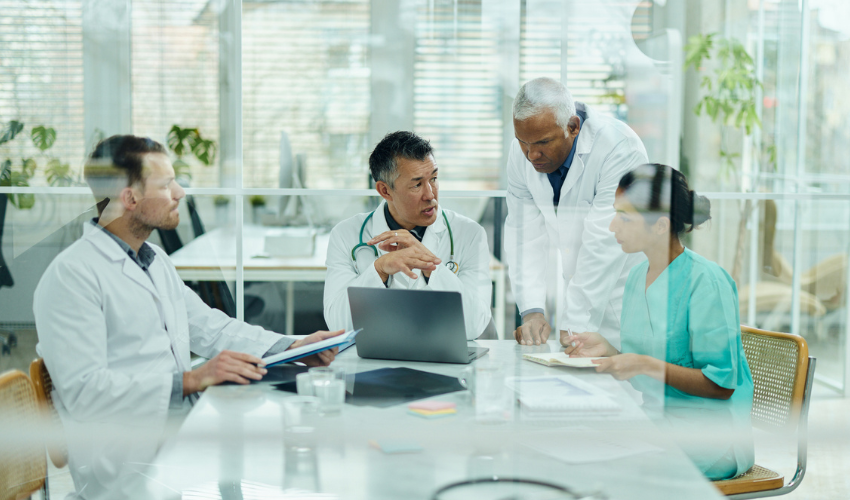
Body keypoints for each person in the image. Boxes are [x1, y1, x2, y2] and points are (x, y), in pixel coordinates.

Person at [33, 135, 342, 499]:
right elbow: (86, 393)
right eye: (166, 185)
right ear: (130, 198)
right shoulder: (72, 276)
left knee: (299, 439)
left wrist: (293, 345)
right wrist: (190, 380)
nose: (180, 192)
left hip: (177, 428)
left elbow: (211, 328)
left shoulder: (154, 260)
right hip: (125, 460)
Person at [564, 164, 755, 480]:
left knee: (606, 472)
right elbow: (647, 370)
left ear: (660, 225)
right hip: (655, 422)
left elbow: (722, 386)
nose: (613, 227)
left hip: (710, 438)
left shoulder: (706, 281)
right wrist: (610, 352)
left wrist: (641, 364)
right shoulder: (638, 276)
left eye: (624, 218)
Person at [505, 77, 647, 349]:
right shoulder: (521, 152)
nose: (531, 155)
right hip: (578, 298)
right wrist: (532, 310)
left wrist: (574, 327)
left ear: (573, 127)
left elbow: (602, 244)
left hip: (622, 303)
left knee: (624, 384)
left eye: (543, 142)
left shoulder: (619, 148)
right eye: (523, 142)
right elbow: (524, 234)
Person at [324, 131, 493, 339]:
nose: (430, 194)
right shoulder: (345, 235)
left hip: (443, 360)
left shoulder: (469, 234)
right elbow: (338, 324)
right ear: (385, 191)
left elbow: (474, 326)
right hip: (374, 362)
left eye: (434, 179)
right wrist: (379, 269)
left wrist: (430, 264)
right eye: (417, 184)